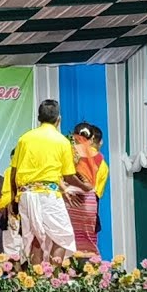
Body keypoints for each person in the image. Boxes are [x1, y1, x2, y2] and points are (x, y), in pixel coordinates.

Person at [10, 100, 91, 264]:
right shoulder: (61, 141)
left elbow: (14, 173)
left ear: (39, 118)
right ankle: (54, 276)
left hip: (26, 195)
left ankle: (37, 278)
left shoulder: (25, 139)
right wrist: (85, 186)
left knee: (35, 238)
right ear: (58, 119)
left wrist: (14, 200)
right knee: (62, 236)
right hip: (48, 196)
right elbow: (68, 176)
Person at [66, 123, 106, 256]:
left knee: (68, 241)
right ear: (93, 138)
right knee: (88, 243)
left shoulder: (69, 153)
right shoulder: (100, 160)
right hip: (89, 201)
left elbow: (63, 175)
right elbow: (96, 192)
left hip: (69, 198)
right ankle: (90, 266)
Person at [0, 150, 22, 260]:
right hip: (14, 206)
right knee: (15, 239)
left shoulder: (12, 170)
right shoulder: (12, 171)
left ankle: (14, 266)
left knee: (13, 241)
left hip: (14, 206)